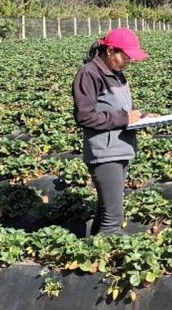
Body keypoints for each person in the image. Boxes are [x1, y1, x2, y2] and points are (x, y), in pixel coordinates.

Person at [72, 27, 152, 235]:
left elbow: (117, 109)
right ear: (109, 51)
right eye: (125, 55)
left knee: (105, 212)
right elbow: (84, 116)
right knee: (113, 220)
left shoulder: (116, 74)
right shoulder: (89, 74)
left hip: (119, 148)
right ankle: (107, 262)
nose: (129, 60)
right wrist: (125, 118)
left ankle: (93, 258)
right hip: (104, 154)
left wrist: (142, 117)